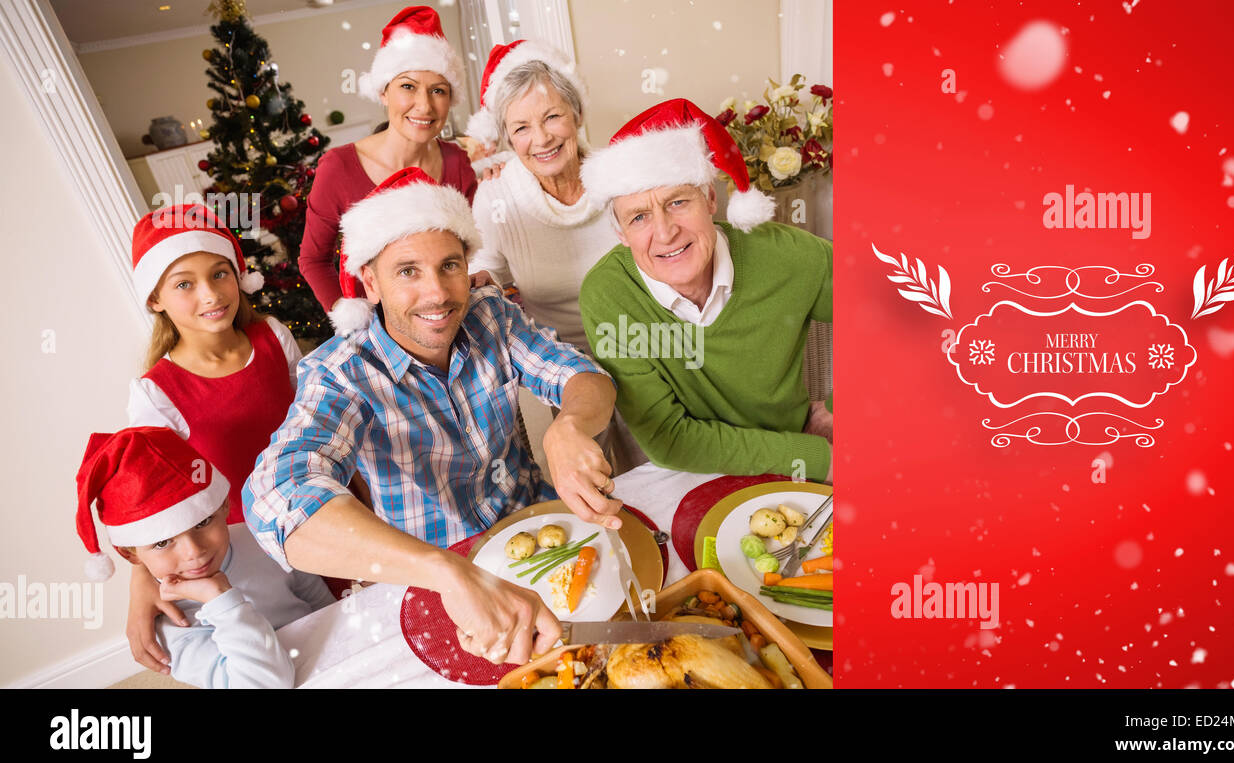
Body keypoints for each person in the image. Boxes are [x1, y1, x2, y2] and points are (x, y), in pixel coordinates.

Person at [244, 167, 621, 665]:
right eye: (407, 271)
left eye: (449, 265)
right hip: (432, 575)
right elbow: (276, 497)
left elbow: (583, 377)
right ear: (370, 283)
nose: (437, 293)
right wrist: (445, 571)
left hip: (542, 526)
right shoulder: (341, 373)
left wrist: (567, 426)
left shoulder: (493, 315)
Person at [579, 98, 834, 483]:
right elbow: (670, 439)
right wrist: (814, 457)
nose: (665, 233)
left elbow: (893, 307)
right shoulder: (608, 296)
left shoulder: (787, 254)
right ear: (620, 234)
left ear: (711, 199)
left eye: (677, 202)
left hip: (796, 458)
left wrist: (839, 408)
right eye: (640, 217)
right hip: (686, 474)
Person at [123, 202, 304, 678]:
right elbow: (153, 500)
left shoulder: (272, 336)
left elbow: (315, 420)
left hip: (316, 509)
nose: (210, 294)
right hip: (246, 549)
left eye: (220, 274)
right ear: (155, 299)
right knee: (280, 660)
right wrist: (143, 578)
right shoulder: (155, 393)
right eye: (184, 283)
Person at [463, 39, 646, 474]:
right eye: (521, 127)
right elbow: (483, 269)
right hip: (565, 369)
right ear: (507, 138)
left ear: (577, 115)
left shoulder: (619, 176)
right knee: (599, 482)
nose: (541, 139)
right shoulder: (496, 196)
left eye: (552, 117)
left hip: (646, 351)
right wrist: (478, 281)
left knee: (664, 470)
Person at [75, 427, 335, 688]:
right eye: (163, 543)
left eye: (202, 522)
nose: (194, 552)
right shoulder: (169, 623)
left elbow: (323, 604)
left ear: (223, 506)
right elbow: (266, 685)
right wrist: (220, 598)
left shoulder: (263, 537)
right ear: (129, 555)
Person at [297, 6, 478, 332]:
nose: (424, 105)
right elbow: (312, 260)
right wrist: (352, 316)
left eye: (438, 90)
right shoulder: (338, 167)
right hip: (375, 331)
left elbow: (472, 248)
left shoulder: (458, 162)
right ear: (383, 92)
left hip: (443, 321)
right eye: (408, 87)